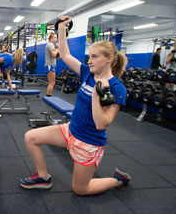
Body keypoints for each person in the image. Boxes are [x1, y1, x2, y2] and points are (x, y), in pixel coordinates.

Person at [20, 15, 132, 195]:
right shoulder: (88, 73)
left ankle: (117, 180)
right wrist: (62, 28)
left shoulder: (117, 88)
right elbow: (64, 54)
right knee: (30, 137)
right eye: (89, 56)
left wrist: (96, 96)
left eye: (95, 57)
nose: (89, 60)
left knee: (80, 189)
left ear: (110, 58)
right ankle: (43, 177)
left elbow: (102, 123)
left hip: (89, 141)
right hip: (70, 130)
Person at [45, 32, 59, 97]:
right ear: (50, 38)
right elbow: (53, 55)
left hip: (51, 65)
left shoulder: (52, 45)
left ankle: (48, 95)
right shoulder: (50, 45)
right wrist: (56, 48)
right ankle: (48, 96)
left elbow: (55, 58)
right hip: (50, 65)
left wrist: (57, 53)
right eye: (54, 37)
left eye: (56, 37)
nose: (56, 39)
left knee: (52, 82)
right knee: (52, 83)